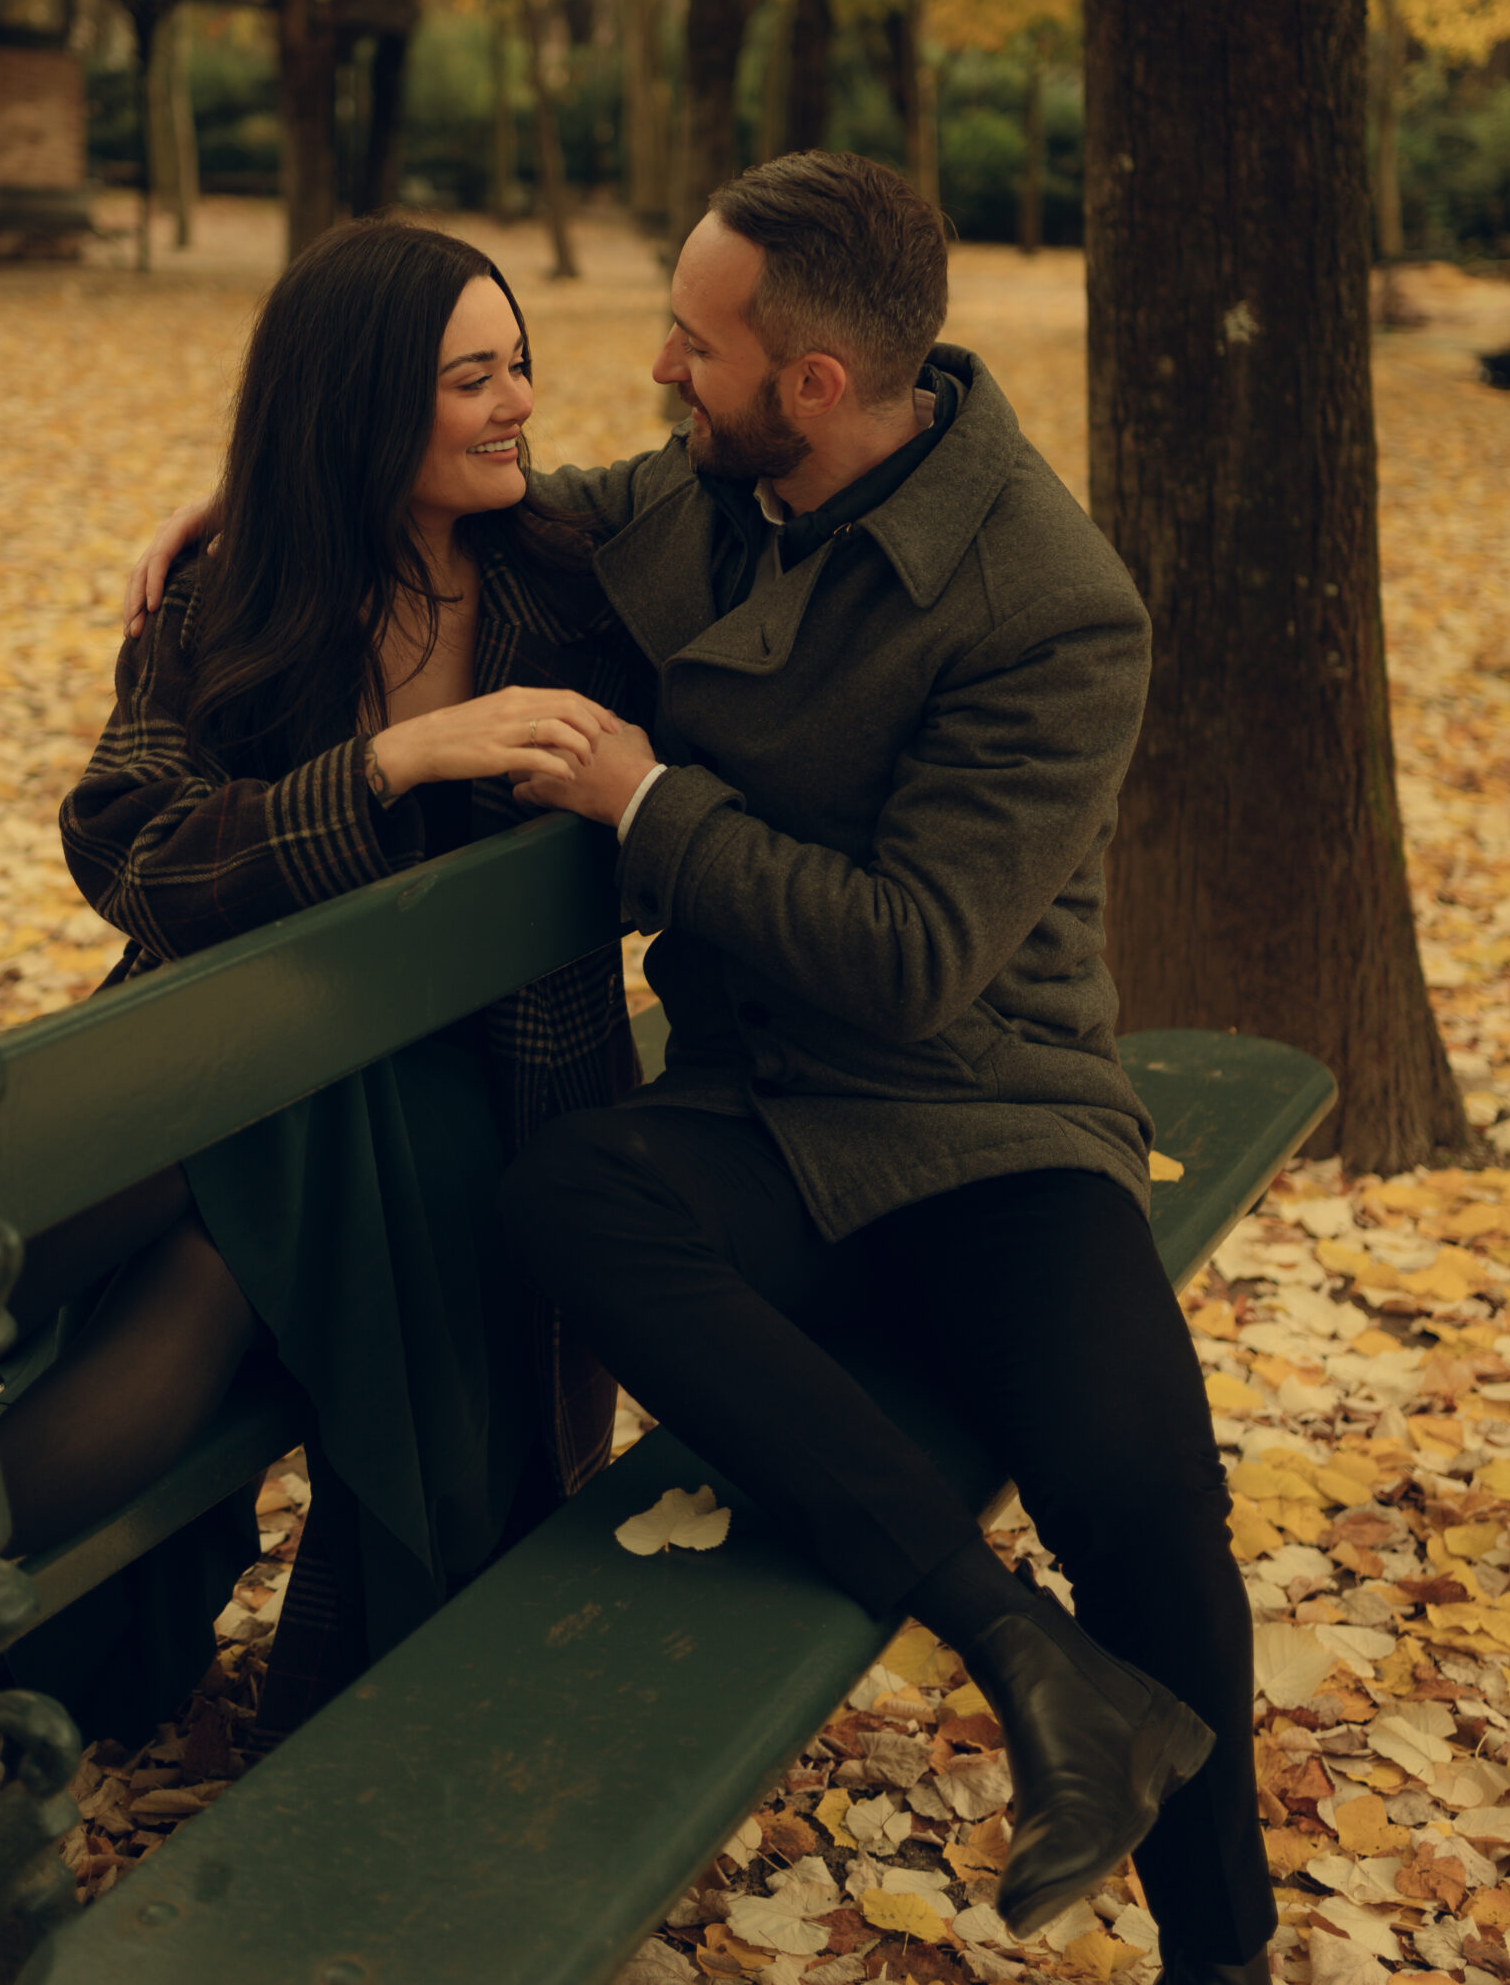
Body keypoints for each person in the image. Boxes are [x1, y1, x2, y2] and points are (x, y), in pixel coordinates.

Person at [125, 155, 1272, 1980]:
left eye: (693, 342)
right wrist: (278, 495)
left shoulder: (1054, 606)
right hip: (756, 1108)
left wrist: (647, 802)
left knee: (1142, 1491)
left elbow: (912, 963)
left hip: (983, 1113)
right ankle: (1027, 1659)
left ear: (808, 385)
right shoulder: (701, 498)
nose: (658, 369)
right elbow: (513, 499)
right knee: (571, 1196)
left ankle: (1226, 1951)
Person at [0, 222, 641, 1755]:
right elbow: (126, 842)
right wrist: (389, 760)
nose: (521, 400)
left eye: (520, 365)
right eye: (474, 378)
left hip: (478, 1121)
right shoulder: (242, 594)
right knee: (222, 1226)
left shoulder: (577, 585)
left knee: (258, 1102)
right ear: (363, 407)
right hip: (256, 1082)